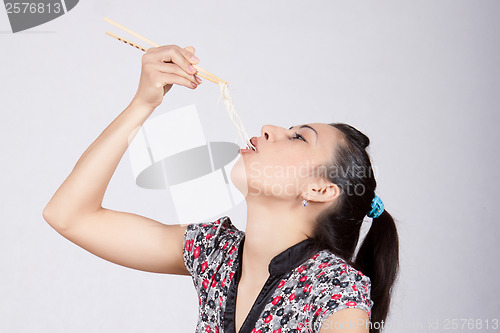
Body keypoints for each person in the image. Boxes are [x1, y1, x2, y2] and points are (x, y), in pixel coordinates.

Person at [43, 45, 399, 333]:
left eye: (298, 137)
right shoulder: (216, 255)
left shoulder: (336, 292)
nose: (270, 128)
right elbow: (69, 215)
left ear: (320, 190)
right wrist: (144, 103)